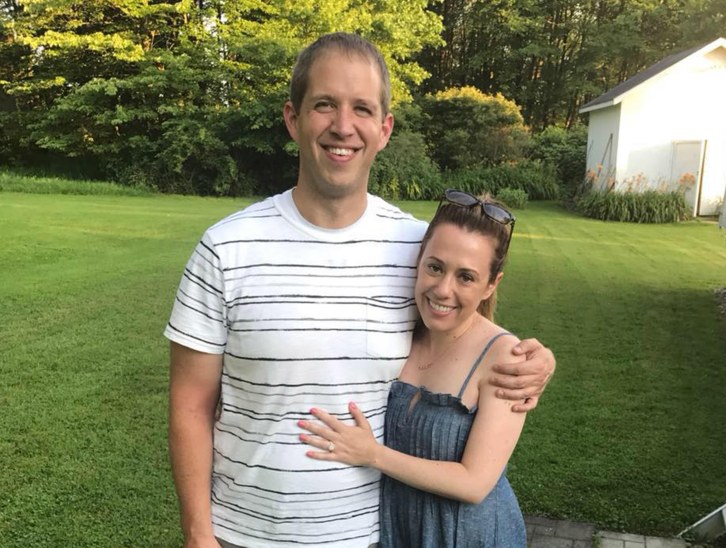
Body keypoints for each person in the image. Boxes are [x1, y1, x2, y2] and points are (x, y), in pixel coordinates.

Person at [166, 32, 555, 548]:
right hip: (244, 532)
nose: (342, 126)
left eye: (362, 109)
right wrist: (198, 533)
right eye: (324, 104)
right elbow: (190, 404)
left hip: (371, 536)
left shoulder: (418, 252)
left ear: (385, 128)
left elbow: (471, 331)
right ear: (293, 118)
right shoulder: (226, 248)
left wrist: (535, 361)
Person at [299, 190, 529, 546]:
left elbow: (474, 483)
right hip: (403, 532)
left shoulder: (505, 360)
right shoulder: (401, 331)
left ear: (490, 285)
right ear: (418, 261)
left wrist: (373, 454)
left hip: (468, 536)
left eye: (466, 277)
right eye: (435, 267)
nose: (442, 289)